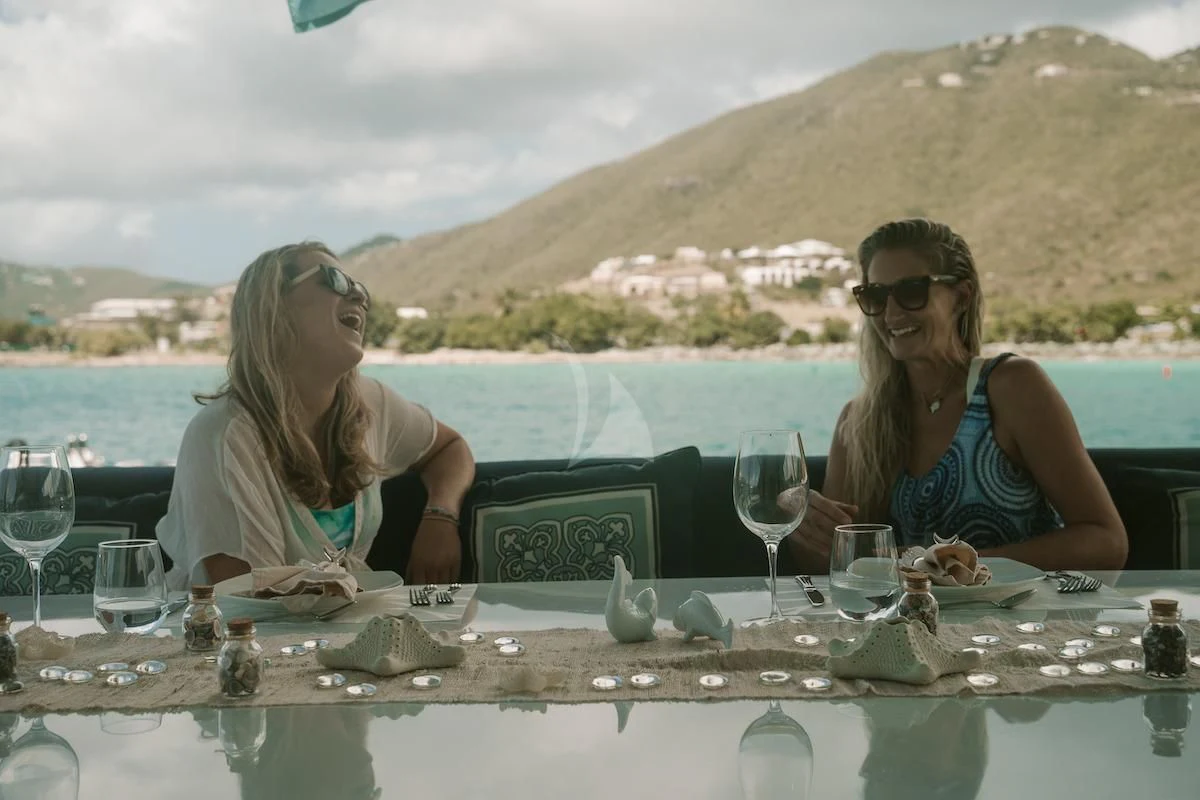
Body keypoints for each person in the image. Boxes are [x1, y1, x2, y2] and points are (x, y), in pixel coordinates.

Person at [787, 219, 1127, 573]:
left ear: (961, 297)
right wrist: (803, 523)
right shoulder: (858, 422)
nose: (890, 312)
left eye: (911, 291)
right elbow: (834, 564)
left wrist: (951, 565)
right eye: (875, 296)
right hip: (909, 629)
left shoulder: (1011, 388)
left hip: (1025, 623)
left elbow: (1106, 541)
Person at [156, 241, 475, 590]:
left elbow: (450, 449)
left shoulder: (372, 405)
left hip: (340, 633)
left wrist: (440, 516)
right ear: (274, 309)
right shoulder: (223, 435)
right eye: (336, 281)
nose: (359, 298)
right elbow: (246, 602)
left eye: (360, 289)